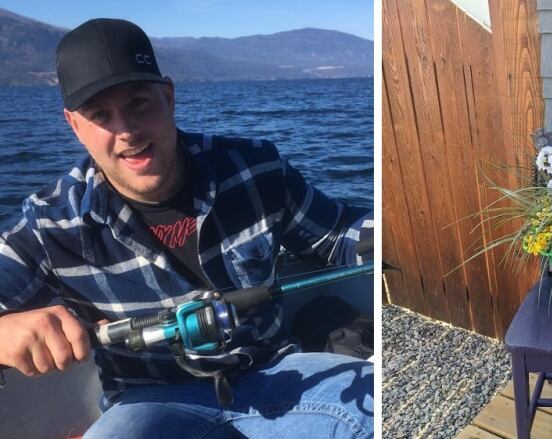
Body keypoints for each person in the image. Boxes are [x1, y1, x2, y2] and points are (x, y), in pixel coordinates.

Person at [0, 18, 373, 438]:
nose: (126, 131)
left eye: (139, 102)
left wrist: (388, 234)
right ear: (74, 125)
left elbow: (339, 231)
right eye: (101, 114)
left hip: (279, 372)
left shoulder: (255, 168)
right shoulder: (51, 224)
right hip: (149, 403)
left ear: (169, 96)